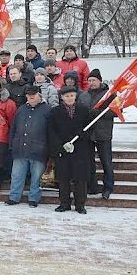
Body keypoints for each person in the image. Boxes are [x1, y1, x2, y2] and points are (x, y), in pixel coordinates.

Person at [49, 85, 92, 214]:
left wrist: (84, 135)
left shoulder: (83, 110)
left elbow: (89, 127)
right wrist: (60, 146)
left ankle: (80, 205)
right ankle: (64, 203)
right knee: (63, 178)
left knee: (80, 179)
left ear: (76, 96)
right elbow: (51, 131)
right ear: (62, 97)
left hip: (80, 149)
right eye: (67, 96)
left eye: (72, 96)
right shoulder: (55, 111)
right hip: (63, 149)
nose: (69, 98)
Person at [6, 86, 52, 207]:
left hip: (39, 149)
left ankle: (34, 198)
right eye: (28, 95)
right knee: (16, 175)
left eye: (33, 94)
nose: (31, 97)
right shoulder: (21, 109)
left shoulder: (48, 110)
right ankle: (14, 197)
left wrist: (49, 149)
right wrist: (12, 143)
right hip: (20, 148)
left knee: (37, 176)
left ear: (39, 95)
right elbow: (13, 128)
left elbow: (51, 131)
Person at [79, 69, 116, 199]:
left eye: (94, 80)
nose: (91, 83)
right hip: (88, 134)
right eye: (89, 80)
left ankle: (108, 187)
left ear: (100, 80)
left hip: (103, 133)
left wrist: (100, 114)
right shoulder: (83, 95)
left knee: (106, 161)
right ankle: (92, 186)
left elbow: (116, 111)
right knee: (89, 162)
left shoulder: (109, 94)